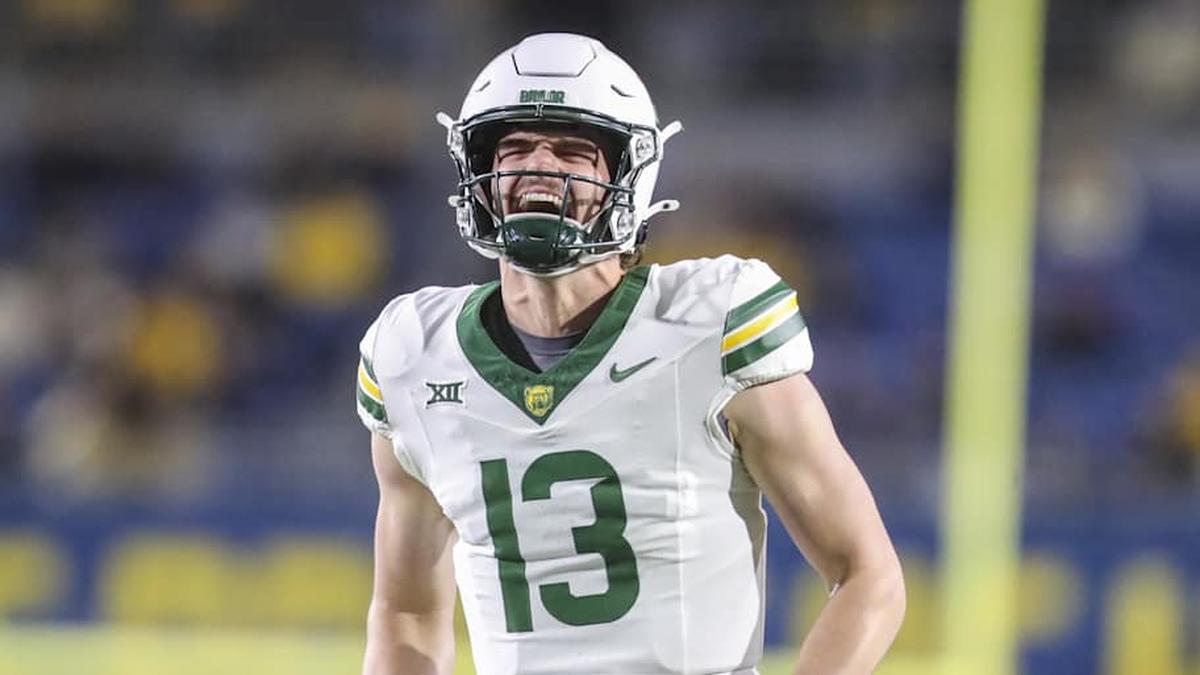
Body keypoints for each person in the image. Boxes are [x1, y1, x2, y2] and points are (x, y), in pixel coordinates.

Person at [356, 33, 904, 675]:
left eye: (572, 150)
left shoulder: (709, 326)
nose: (538, 166)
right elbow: (407, 614)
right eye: (515, 147)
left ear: (629, 174)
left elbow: (867, 576)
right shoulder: (415, 355)